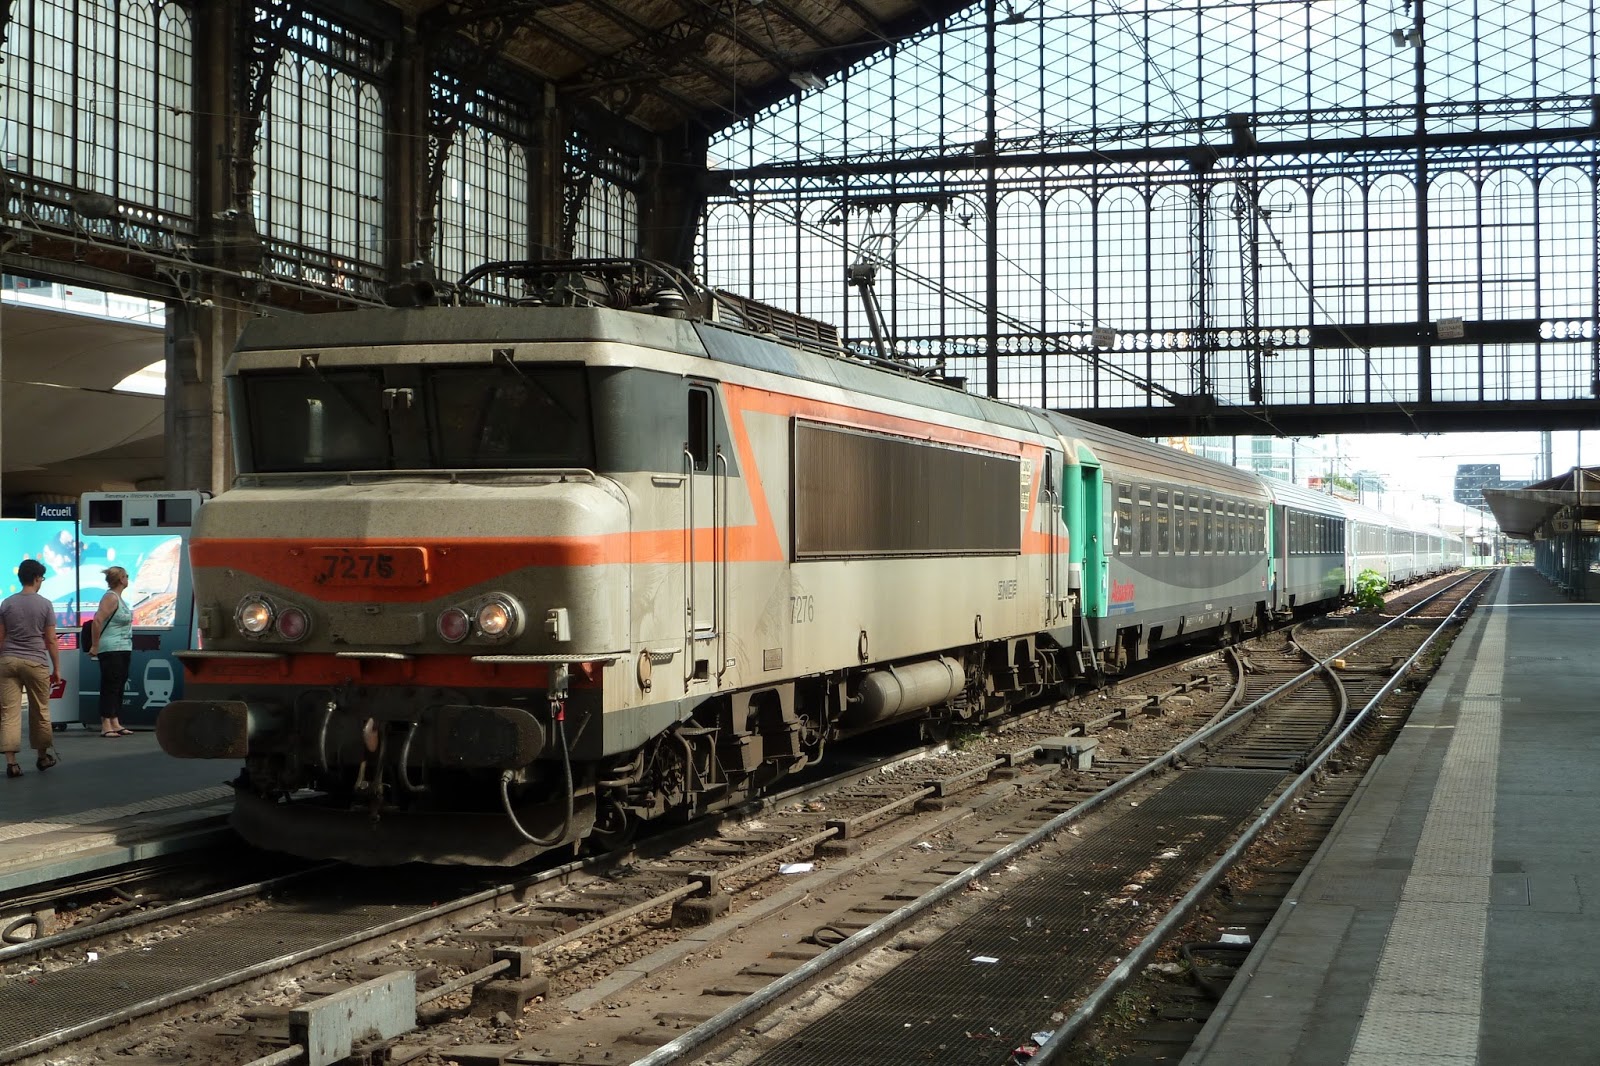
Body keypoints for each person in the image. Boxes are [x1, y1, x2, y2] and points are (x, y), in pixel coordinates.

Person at [0, 558, 62, 778]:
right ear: (37, 578)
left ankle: (12, 763)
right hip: (35, 661)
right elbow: (52, 640)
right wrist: (56, 668)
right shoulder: (45, 604)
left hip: (7, 660)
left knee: (9, 713)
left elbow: (1, 636)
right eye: (42, 578)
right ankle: (43, 757)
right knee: (40, 710)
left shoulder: (6, 603)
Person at [89, 566, 134, 737]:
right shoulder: (110, 598)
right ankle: (105, 723)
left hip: (123, 647)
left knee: (119, 684)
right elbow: (97, 620)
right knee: (110, 684)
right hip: (111, 648)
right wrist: (95, 645)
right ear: (121, 579)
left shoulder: (120, 599)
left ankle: (115, 720)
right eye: (126, 576)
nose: (127, 579)